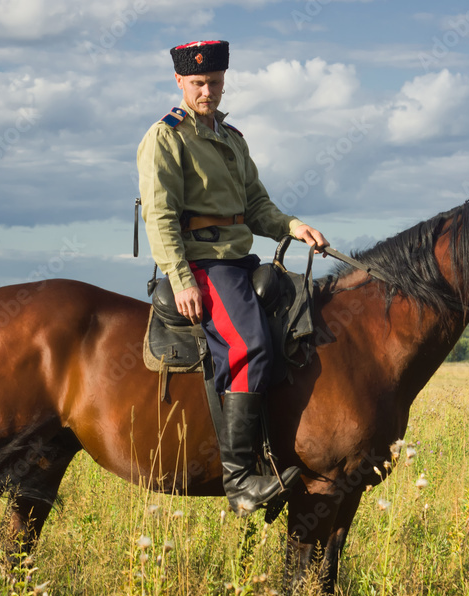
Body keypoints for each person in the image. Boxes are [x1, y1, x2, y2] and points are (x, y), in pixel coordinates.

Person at [137, 39, 329, 517]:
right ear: (180, 81)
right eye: (199, 84)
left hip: (240, 258)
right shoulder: (166, 137)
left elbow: (257, 206)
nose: (208, 92)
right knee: (249, 344)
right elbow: (160, 217)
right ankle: (240, 479)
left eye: (215, 83)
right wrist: (181, 279)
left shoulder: (232, 138)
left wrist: (293, 227)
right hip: (202, 264)